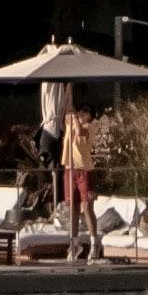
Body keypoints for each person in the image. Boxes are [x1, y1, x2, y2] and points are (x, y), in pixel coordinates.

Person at [60, 101, 101, 259]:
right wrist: (69, 107)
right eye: (81, 111)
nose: (82, 114)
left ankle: (94, 242)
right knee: (73, 208)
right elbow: (66, 116)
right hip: (70, 169)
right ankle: (75, 243)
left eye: (86, 112)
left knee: (87, 208)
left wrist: (75, 117)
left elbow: (79, 132)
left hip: (85, 170)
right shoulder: (71, 121)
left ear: (90, 116)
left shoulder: (89, 127)